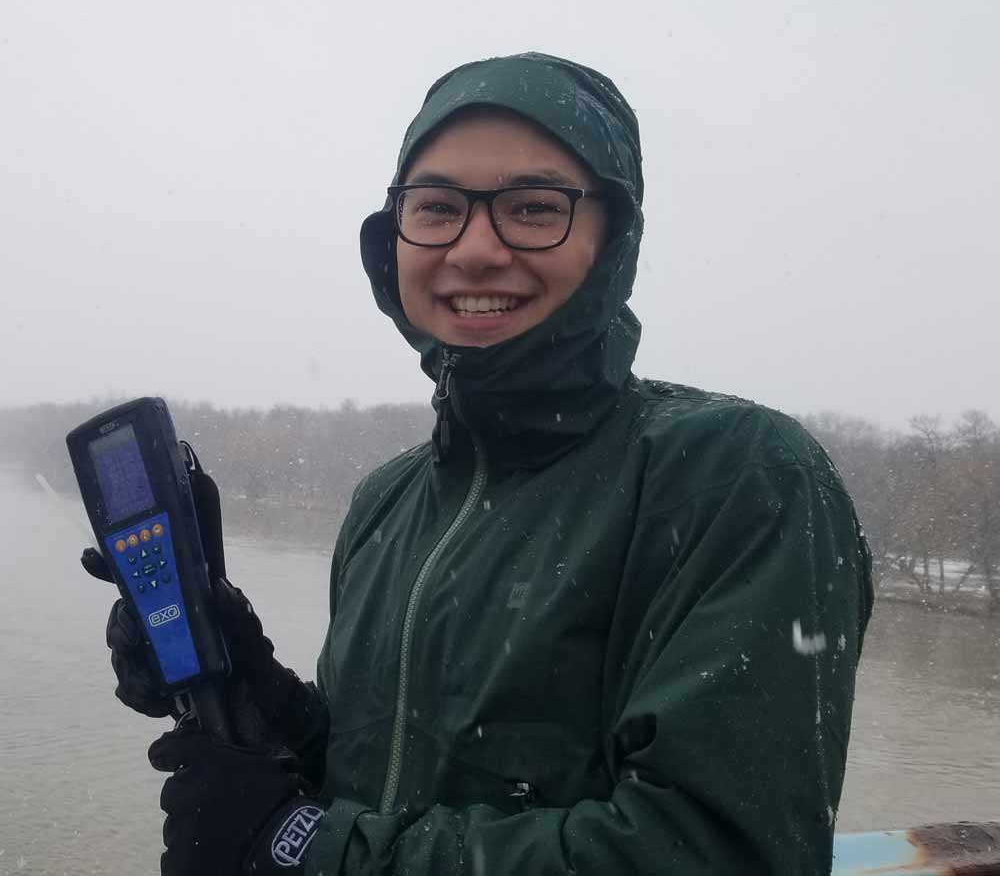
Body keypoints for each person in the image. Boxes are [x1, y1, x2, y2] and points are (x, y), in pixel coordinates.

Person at [95, 52, 874, 875]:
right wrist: (262, 700)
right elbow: (387, 782)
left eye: (533, 207)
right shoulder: (387, 503)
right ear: (392, 238)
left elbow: (720, 851)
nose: (473, 250)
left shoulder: (740, 478)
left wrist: (300, 849)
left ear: (614, 237)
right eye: (436, 207)